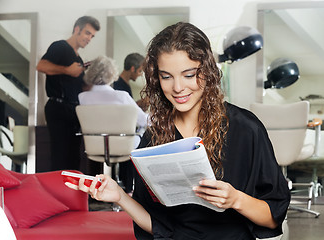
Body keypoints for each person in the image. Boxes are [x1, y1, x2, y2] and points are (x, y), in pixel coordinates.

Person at [66, 22, 290, 240]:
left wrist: (235, 200)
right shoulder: (153, 138)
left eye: (189, 74)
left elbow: (272, 218)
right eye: (166, 76)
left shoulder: (246, 129)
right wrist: (120, 197)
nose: (178, 87)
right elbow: (160, 228)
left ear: (207, 71)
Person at [36, 16, 100, 171]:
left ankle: (70, 193)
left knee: (73, 157)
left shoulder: (78, 58)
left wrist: (91, 84)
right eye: (87, 33)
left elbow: (75, 86)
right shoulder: (60, 47)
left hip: (72, 111)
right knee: (61, 156)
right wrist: (67, 70)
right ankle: (58, 193)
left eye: (92, 36)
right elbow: (41, 66)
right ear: (77, 29)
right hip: (58, 108)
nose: (89, 38)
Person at [78, 55, 148, 149]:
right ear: (112, 74)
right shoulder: (121, 96)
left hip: (94, 147)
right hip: (123, 146)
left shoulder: (82, 97)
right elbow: (144, 121)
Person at [113, 52, 147, 192]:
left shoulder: (123, 86)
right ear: (133, 68)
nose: (140, 75)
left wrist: (138, 104)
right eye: (140, 71)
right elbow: (123, 112)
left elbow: (128, 107)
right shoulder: (118, 87)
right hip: (122, 134)